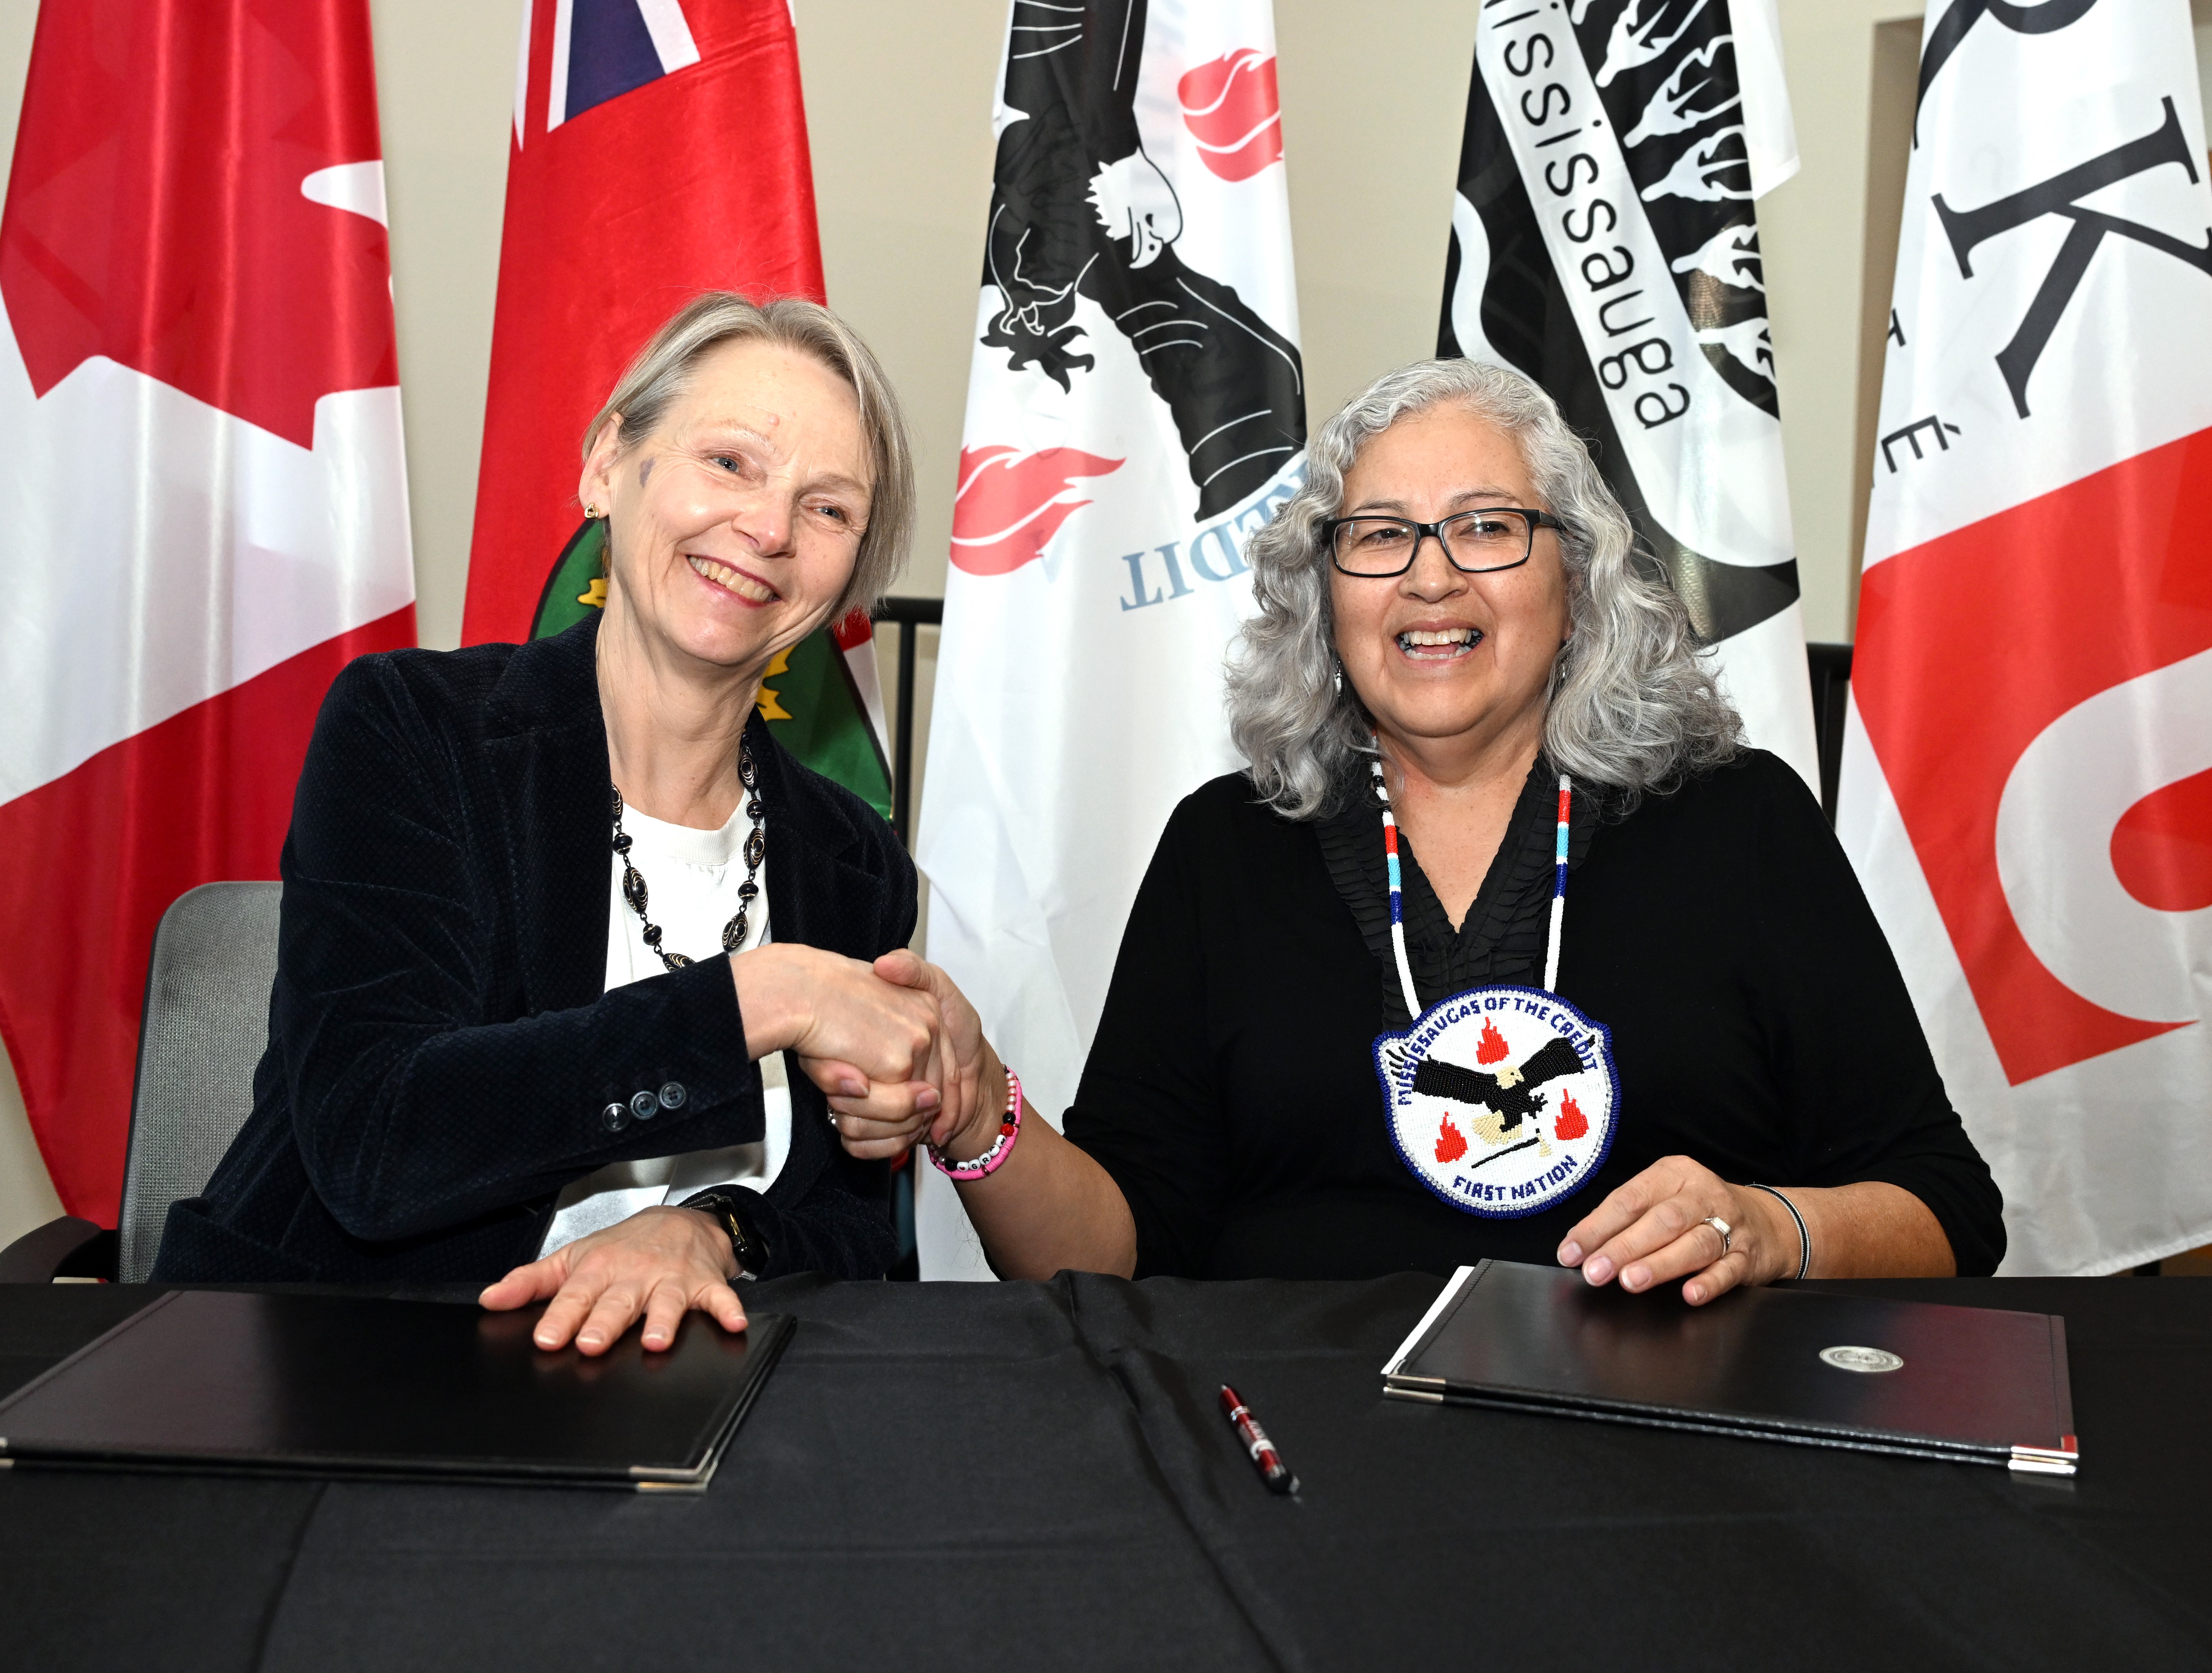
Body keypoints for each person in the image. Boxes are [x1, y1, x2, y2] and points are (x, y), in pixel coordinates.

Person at [846, 359, 2004, 1300]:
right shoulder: (1228, 846)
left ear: (1578, 579)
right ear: (1324, 592)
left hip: (1664, 1472)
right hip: (1298, 1471)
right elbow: (1110, 1254)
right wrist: (980, 1107)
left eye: (1487, 527)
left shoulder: (1738, 823)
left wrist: (1767, 1226)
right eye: (1380, 535)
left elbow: (1948, 1208)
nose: (1430, 579)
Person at [158, 296, 952, 1353]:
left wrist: (709, 1228)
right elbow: (376, 1142)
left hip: (692, 1404)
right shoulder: (411, 731)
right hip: (350, 1368)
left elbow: (847, 1222)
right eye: (728, 462)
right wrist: (760, 998)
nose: (767, 529)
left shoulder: (856, 860)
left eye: (828, 509)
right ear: (606, 467)